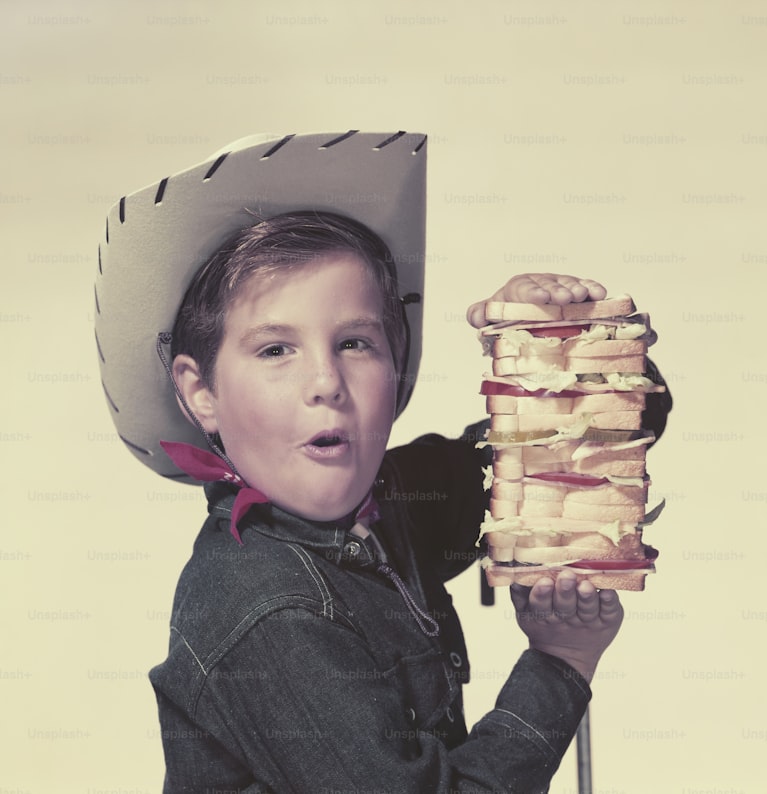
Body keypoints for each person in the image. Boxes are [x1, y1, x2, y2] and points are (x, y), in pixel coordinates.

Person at [94, 132, 670, 793]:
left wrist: (549, 348)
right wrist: (560, 664)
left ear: (396, 367)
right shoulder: (269, 613)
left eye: (355, 343)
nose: (325, 381)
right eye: (276, 350)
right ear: (202, 394)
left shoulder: (393, 500)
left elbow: (582, 441)